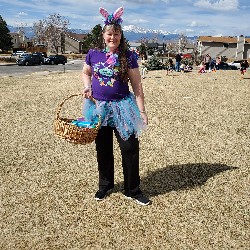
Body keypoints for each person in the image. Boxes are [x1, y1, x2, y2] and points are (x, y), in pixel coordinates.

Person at [81, 7, 150, 206]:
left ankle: (133, 190)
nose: (113, 37)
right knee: (103, 149)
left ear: (121, 35)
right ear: (103, 35)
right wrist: (87, 87)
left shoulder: (128, 56)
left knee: (129, 148)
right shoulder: (93, 54)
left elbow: (137, 86)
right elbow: (86, 73)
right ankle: (105, 185)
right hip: (99, 108)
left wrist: (142, 111)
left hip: (123, 107)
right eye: (110, 33)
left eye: (117, 33)